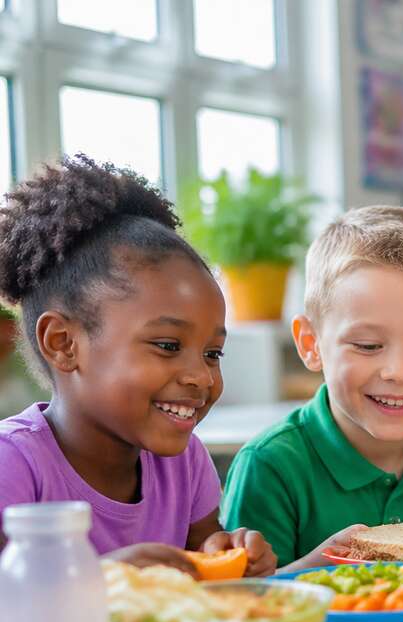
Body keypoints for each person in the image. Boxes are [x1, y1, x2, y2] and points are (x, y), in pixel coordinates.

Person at [0, 155, 275, 575]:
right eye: (167, 345)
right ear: (63, 343)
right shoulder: (14, 465)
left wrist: (233, 559)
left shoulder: (183, 462)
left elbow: (205, 578)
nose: (201, 376)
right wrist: (109, 579)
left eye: (212, 353)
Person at [221, 206, 403, 566]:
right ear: (310, 344)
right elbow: (244, 603)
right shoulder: (269, 465)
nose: (398, 372)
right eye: (367, 346)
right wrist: (322, 564)